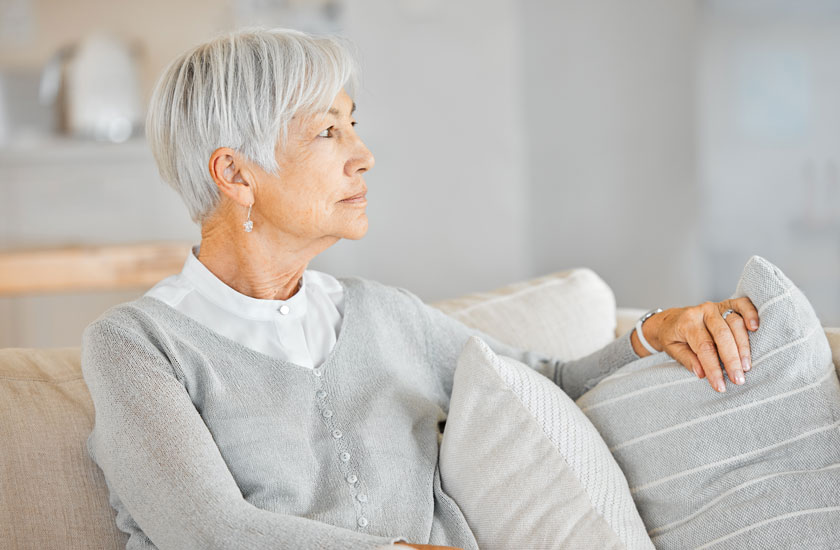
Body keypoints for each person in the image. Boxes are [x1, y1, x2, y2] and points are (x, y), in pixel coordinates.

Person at [81, 28, 760, 550]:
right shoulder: (138, 344)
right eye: (328, 130)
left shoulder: (383, 314)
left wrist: (654, 333)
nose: (363, 153)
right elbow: (207, 531)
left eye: (354, 124)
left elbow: (544, 383)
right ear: (234, 173)